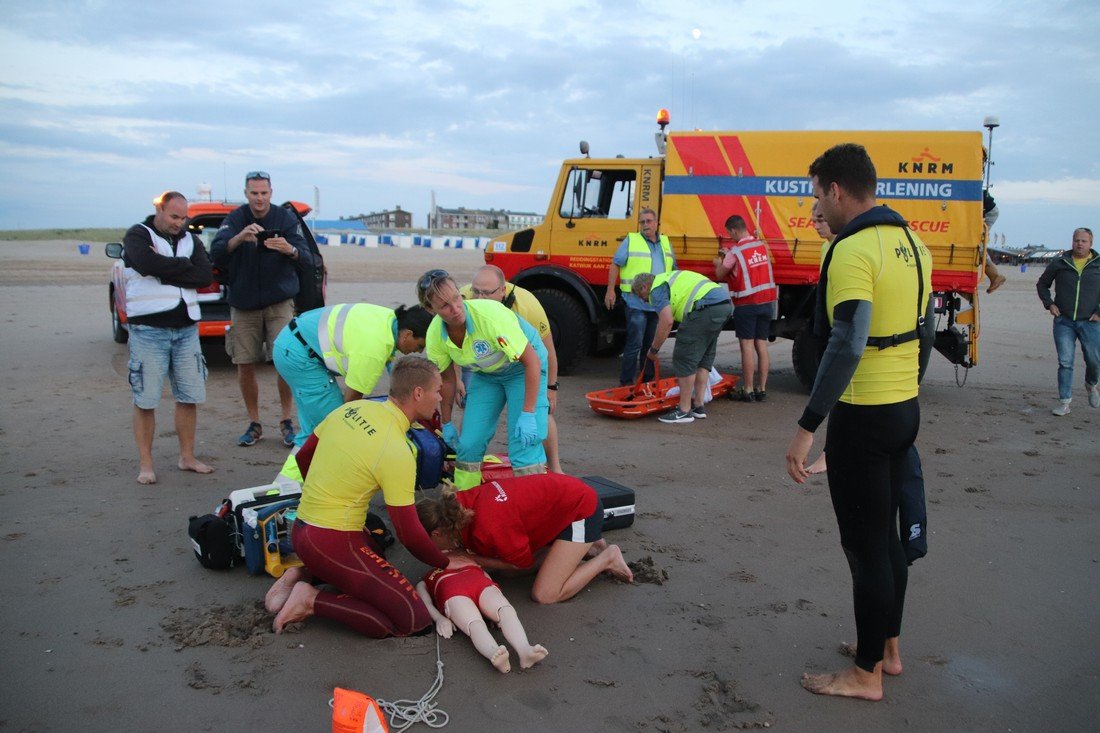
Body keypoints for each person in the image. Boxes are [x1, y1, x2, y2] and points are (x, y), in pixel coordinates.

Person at [784, 143, 934, 701]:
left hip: (864, 417)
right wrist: (904, 393)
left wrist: (808, 425)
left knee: (865, 548)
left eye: (818, 193)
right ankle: (886, 650)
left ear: (836, 190)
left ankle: (866, 675)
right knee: (888, 542)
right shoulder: (913, 242)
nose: (818, 204)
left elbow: (846, 342)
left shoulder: (851, 250)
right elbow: (922, 337)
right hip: (903, 411)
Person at [265, 356, 472, 637]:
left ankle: (303, 571)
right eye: (437, 390)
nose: (440, 397)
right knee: (412, 621)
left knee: (374, 544)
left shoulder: (352, 409)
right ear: (418, 393)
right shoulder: (397, 450)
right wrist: (445, 562)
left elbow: (304, 457)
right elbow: (408, 532)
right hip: (331, 541)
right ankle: (311, 599)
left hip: (301, 528)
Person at [417, 270, 549, 490]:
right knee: (468, 443)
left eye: (456, 298)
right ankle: (464, 502)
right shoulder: (435, 336)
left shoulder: (490, 317)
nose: (456, 309)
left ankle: (533, 501)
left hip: (522, 368)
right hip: (487, 375)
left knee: (524, 443)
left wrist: (528, 414)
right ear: (431, 310)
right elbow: (448, 380)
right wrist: (447, 422)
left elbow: (532, 362)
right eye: (444, 306)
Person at [210, 171, 314, 448]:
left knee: (285, 362)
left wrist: (288, 248)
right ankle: (254, 423)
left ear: (271, 192)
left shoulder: (285, 218)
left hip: (279, 302)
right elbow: (217, 252)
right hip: (243, 303)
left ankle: (286, 420)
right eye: (254, 193)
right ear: (246, 193)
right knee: (244, 363)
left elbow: (306, 257)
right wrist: (239, 237)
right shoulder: (235, 219)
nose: (259, 198)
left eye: (264, 193)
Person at [416, 474, 633, 604]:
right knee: (505, 573)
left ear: (437, 533)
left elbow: (520, 563)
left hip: (582, 509)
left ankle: (607, 557)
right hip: (561, 500)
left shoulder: (490, 527)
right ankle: (586, 546)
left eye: (429, 544)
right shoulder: (457, 503)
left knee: (545, 594)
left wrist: (469, 558)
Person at [120, 191, 215, 485]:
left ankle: (186, 457)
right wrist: (181, 268)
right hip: (148, 329)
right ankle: (146, 464)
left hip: (186, 328)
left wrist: (167, 270)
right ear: (160, 210)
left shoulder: (191, 240)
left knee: (189, 396)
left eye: (184, 217)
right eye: (174, 216)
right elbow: (147, 264)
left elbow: (204, 275)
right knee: (146, 398)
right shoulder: (138, 234)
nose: (180, 222)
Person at [272, 302, 433, 448]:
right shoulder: (373, 351)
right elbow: (349, 405)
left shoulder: (390, 319)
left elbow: (390, 365)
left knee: (316, 428)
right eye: (420, 345)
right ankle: (290, 477)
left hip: (294, 339)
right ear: (407, 334)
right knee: (331, 428)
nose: (419, 351)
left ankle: (302, 474)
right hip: (298, 356)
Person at [460, 265, 563, 472]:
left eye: (487, 293)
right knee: (470, 432)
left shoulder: (528, 306)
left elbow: (547, 351)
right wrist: (458, 382)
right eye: (476, 291)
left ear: (502, 291)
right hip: (485, 367)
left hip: (524, 368)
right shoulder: (461, 300)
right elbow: (450, 345)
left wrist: (551, 387)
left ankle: (554, 467)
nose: (480, 298)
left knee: (535, 422)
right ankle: (466, 489)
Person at [416, 556, 549, 673]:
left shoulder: (470, 561)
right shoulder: (427, 578)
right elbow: (424, 601)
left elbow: (489, 581)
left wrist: (489, 614)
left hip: (481, 585)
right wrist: (439, 618)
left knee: (505, 609)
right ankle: (493, 652)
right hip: (453, 593)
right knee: (474, 623)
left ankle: (524, 649)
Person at [631, 270, 732, 424]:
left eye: (640, 295)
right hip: (724, 304)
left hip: (705, 307)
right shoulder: (668, 278)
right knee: (703, 357)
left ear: (645, 287)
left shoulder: (656, 289)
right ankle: (698, 406)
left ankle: (684, 411)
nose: (643, 300)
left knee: (684, 357)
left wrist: (653, 350)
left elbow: (666, 321)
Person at [604, 208, 676, 385]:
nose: (645, 225)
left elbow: (673, 270)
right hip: (635, 302)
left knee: (650, 346)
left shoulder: (666, 242)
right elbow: (615, 264)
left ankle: (647, 382)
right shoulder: (632, 240)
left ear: (656, 222)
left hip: (656, 303)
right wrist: (610, 290)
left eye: (649, 221)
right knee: (634, 345)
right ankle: (627, 383)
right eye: (642, 222)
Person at [713, 215, 778, 402]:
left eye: (729, 233)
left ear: (733, 230)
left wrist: (719, 262)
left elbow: (720, 274)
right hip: (767, 303)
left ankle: (748, 389)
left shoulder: (735, 252)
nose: (729, 236)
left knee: (747, 347)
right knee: (761, 345)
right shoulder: (761, 246)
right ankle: (762, 389)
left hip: (747, 304)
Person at [1036, 227, 1100, 415]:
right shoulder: (1060, 262)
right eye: (1077, 240)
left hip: (1090, 321)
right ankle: (1064, 402)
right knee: (1065, 362)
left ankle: (1091, 384)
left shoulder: (1097, 264)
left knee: (1094, 360)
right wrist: (1049, 304)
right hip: (1064, 321)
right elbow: (1042, 284)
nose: (1080, 244)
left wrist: (1099, 312)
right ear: (1072, 241)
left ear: (1091, 243)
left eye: (1084, 241)